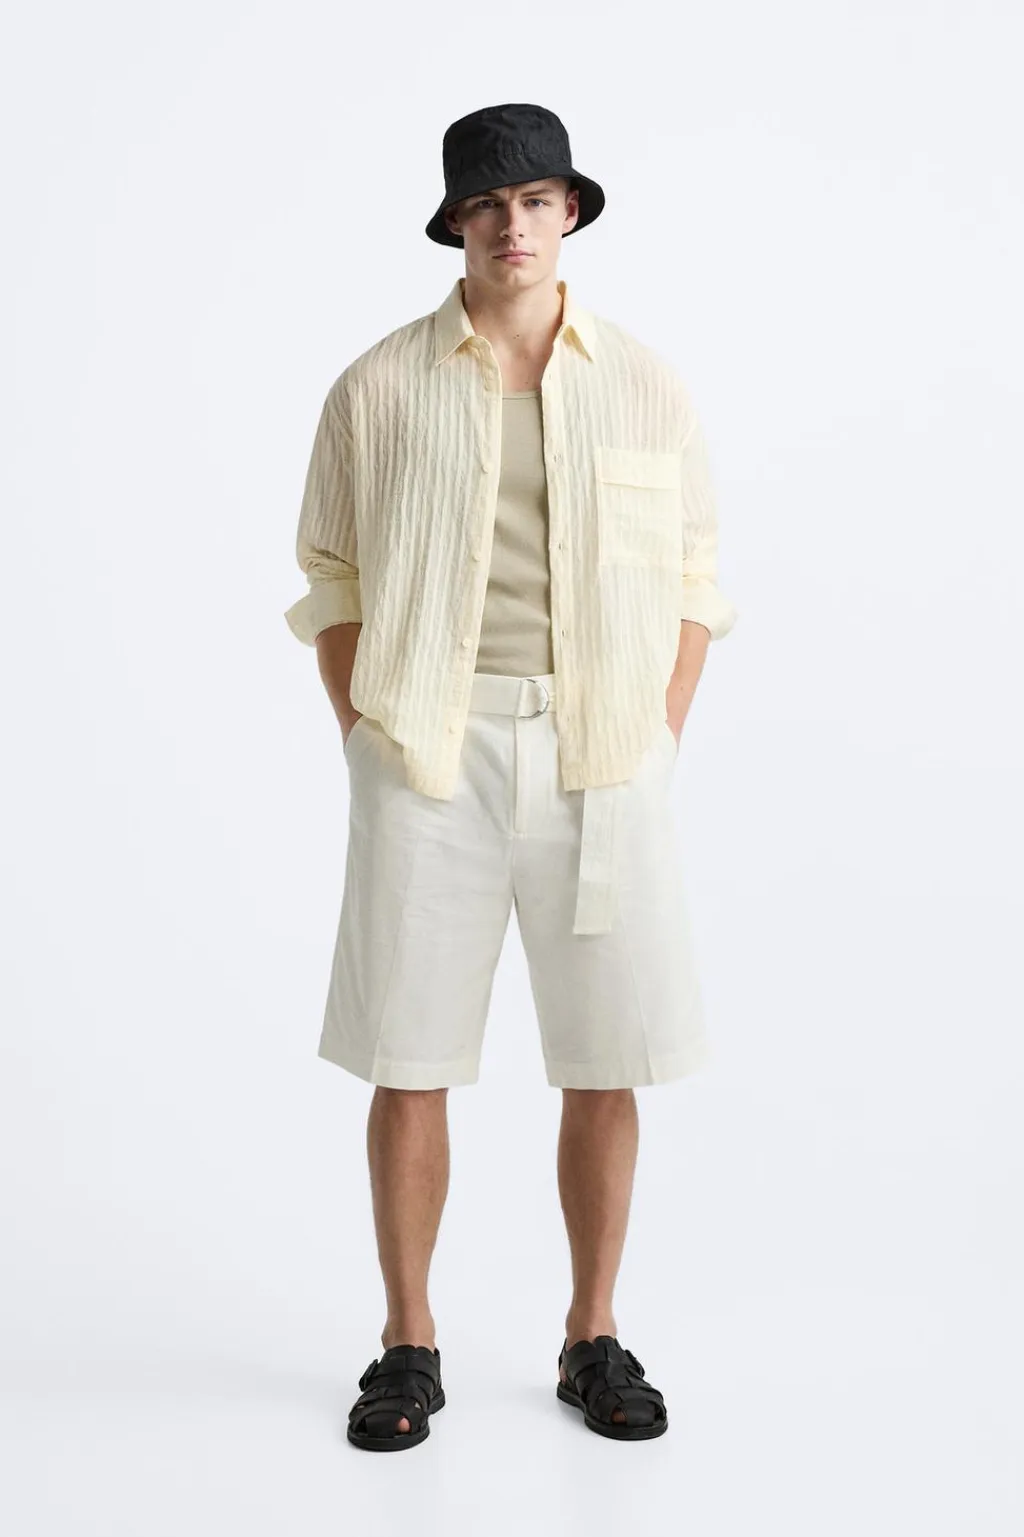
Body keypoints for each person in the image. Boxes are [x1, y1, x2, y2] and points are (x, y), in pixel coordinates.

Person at [283, 102, 738, 1451]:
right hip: (431, 751)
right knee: (407, 1054)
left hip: (604, 752)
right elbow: (330, 575)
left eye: (536, 200)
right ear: (455, 225)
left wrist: (658, 729)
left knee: (608, 1055)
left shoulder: (643, 382)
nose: (513, 225)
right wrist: (368, 732)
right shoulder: (378, 387)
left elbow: (696, 577)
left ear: (571, 213)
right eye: (487, 204)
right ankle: (406, 1341)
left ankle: (593, 1332)